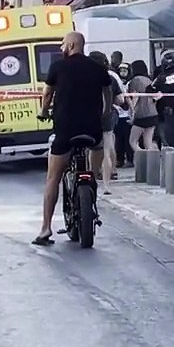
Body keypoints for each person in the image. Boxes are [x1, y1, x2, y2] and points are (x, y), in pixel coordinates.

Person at [34, 32, 114, 246]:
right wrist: (105, 112)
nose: (61, 48)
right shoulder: (98, 68)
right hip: (92, 129)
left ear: (71, 45)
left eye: (63, 44)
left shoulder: (58, 67)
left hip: (65, 129)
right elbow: (108, 91)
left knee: (53, 178)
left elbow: (47, 94)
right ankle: (92, 183)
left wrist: (43, 111)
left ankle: (45, 229)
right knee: (94, 159)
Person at [88, 51, 126, 193]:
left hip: (90, 117)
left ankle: (91, 178)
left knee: (93, 149)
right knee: (107, 150)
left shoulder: (85, 76)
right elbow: (120, 100)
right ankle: (106, 185)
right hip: (108, 117)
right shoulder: (111, 77)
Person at [127, 60, 159, 153]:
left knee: (133, 141)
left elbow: (135, 97)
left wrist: (132, 111)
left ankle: (142, 158)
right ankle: (153, 160)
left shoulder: (136, 80)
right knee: (148, 142)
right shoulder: (149, 80)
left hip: (141, 114)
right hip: (152, 113)